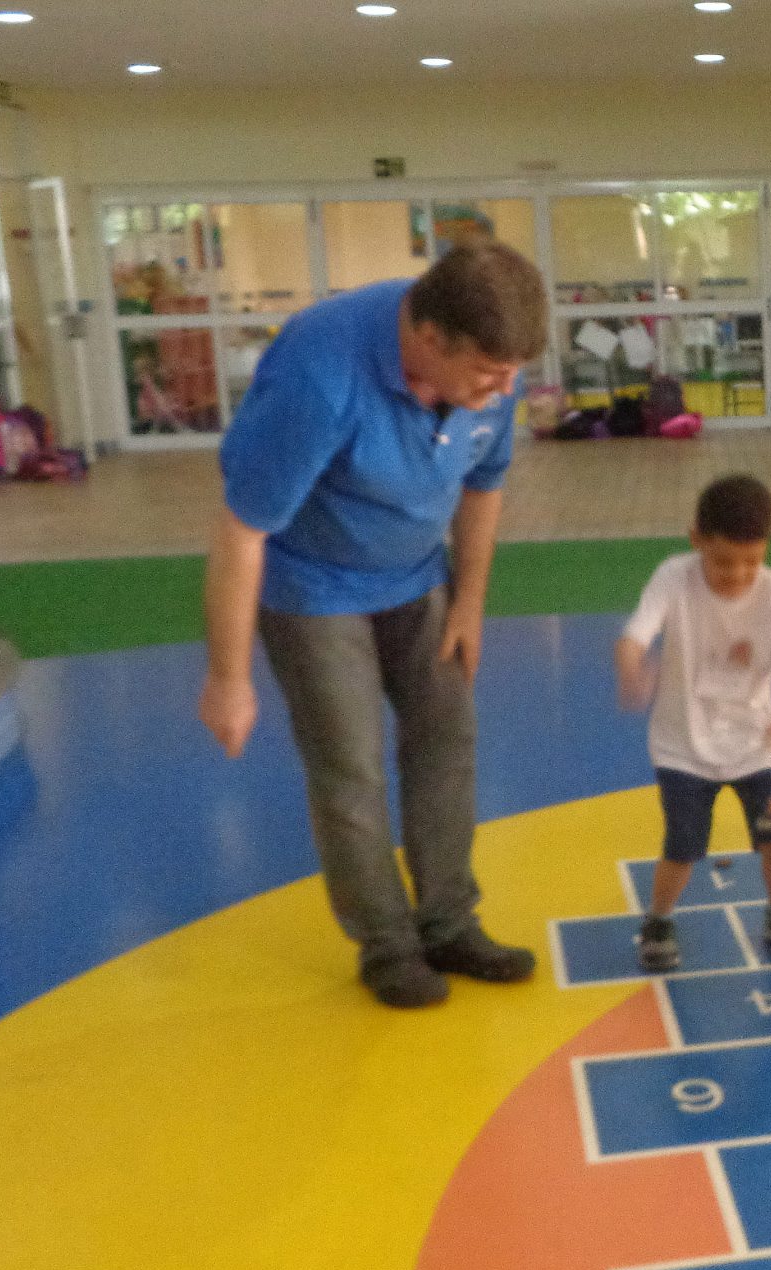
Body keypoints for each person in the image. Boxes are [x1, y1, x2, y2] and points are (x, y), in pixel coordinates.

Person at [200, 241, 547, 1008]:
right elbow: (242, 529)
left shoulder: (492, 368)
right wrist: (228, 677)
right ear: (429, 340)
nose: (505, 389)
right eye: (490, 373)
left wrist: (468, 603)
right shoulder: (318, 376)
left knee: (447, 739)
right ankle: (387, 946)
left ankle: (449, 922)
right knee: (350, 767)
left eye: (512, 372)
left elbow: (484, 486)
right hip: (314, 586)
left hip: (418, 574)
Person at [616, 475, 771, 973]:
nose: (738, 574)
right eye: (724, 561)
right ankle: (658, 920)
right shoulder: (674, 578)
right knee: (683, 845)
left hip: (755, 745)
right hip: (682, 747)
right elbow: (635, 636)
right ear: (697, 540)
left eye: (752, 561)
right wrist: (631, 668)